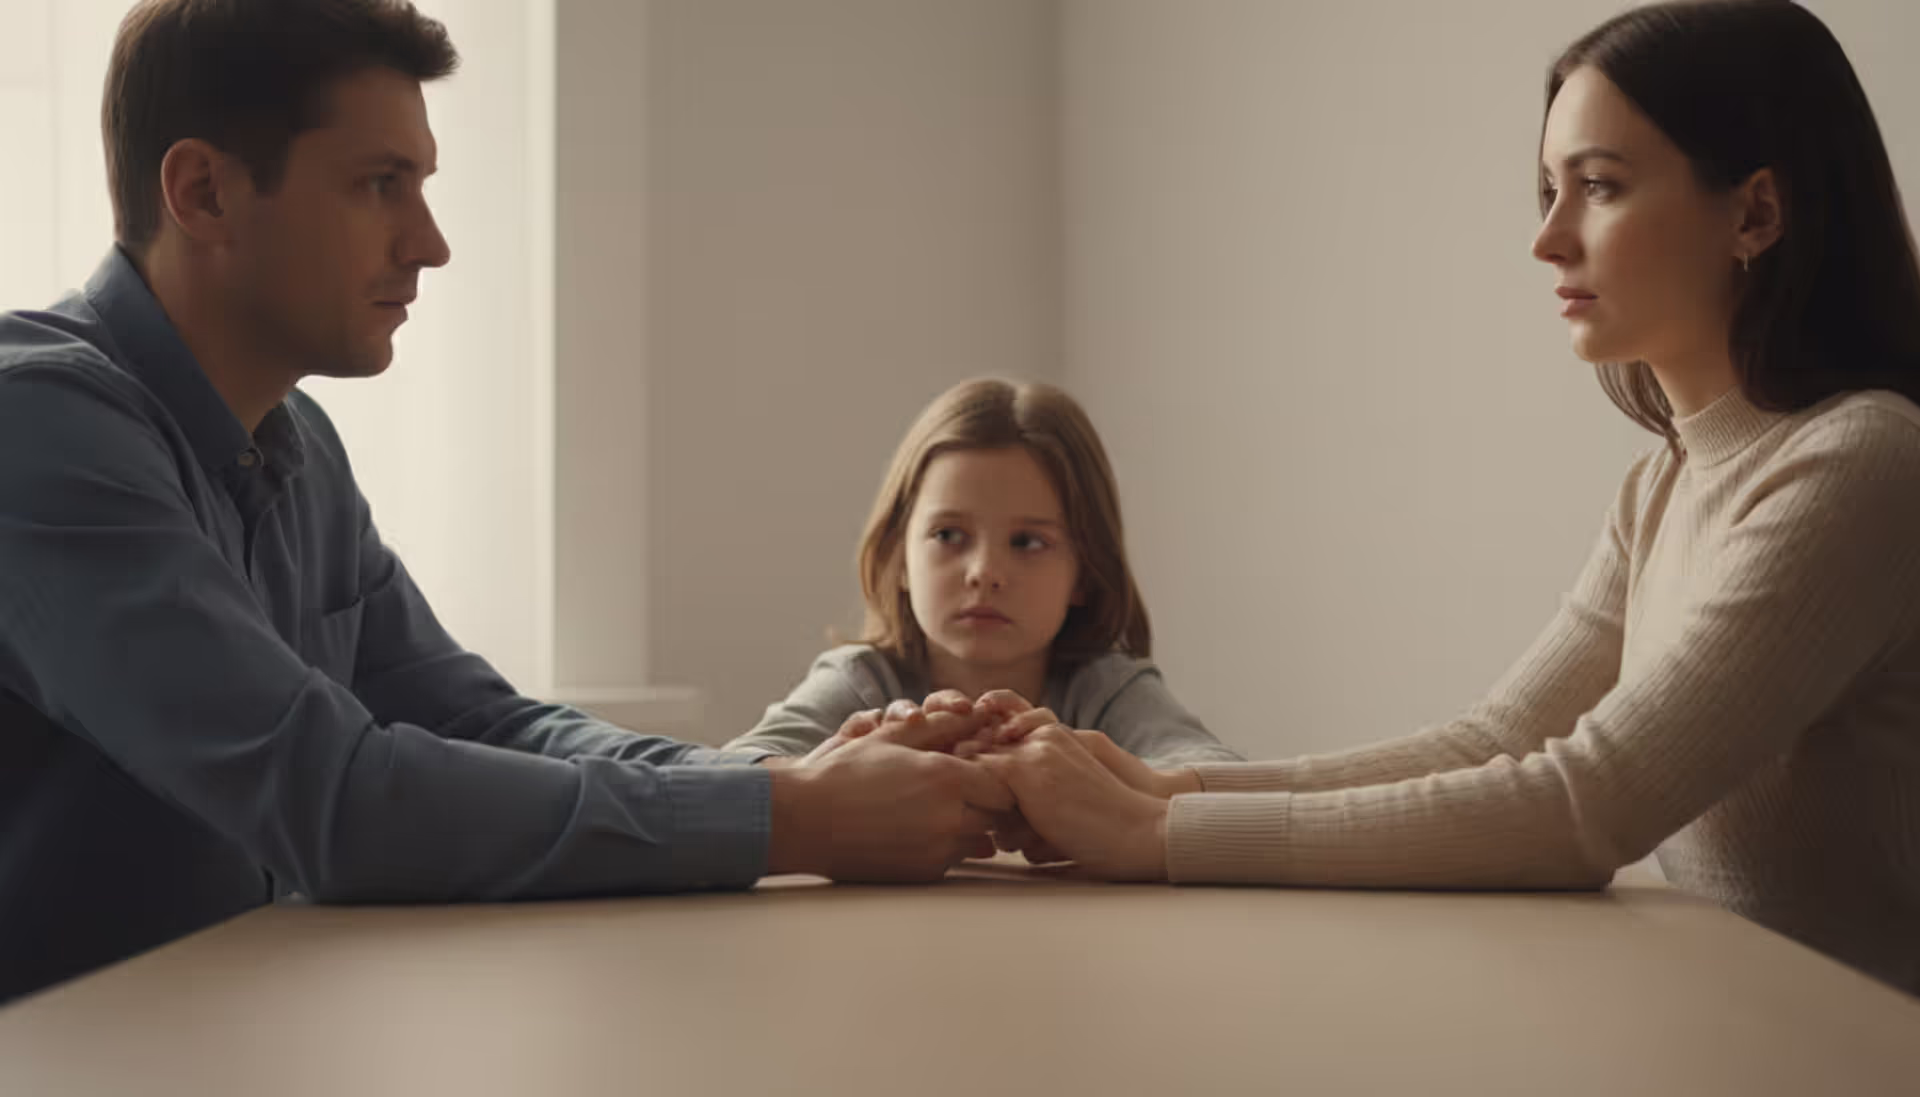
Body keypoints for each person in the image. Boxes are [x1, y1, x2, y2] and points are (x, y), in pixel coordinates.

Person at [0, 0, 1009, 1005]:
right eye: (379, 185)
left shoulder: (296, 440)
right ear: (204, 191)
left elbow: (482, 720)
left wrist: (779, 784)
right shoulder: (36, 419)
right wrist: (793, 814)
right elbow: (334, 797)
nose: (430, 244)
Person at [975, 0, 1920, 995]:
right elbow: (1496, 740)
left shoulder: (1864, 463)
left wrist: (1160, 831)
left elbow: (1588, 804)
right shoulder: (1665, 484)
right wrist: (1168, 783)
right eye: (1548, 189)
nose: (1546, 239)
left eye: (1598, 186)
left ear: (1756, 214)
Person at [724, 378, 1241, 770]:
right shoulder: (862, 685)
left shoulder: (1105, 691)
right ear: (898, 557)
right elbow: (728, 774)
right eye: (949, 536)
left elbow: (1219, 777)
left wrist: (1098, 775)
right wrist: (834, 775)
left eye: (1028, 542)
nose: (985, 573)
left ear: (1085, 572)